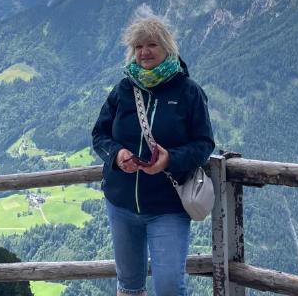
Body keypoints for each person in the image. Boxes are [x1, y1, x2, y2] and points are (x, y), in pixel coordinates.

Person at [92, 16, 215, 296]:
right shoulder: (123, 90)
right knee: (129, 286)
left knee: (170, 286)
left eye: (151, 45)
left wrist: (170, 159)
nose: (144, 52)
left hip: (168, 207)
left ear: (167, 48)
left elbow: (204, 143)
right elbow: (99, 134)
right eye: (138, 46)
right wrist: (117, 155)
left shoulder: (189, 92)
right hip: (121, 204)